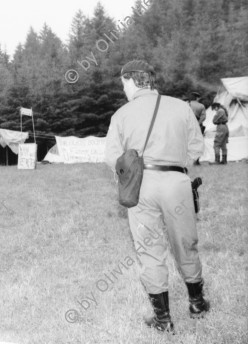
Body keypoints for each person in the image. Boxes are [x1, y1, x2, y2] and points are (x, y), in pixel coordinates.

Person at [105, 60, 209, 333]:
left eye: (123, 83)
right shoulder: (180, 107)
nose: (123, 88)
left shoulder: (121, 115)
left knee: (149, 251)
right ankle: (197, 303)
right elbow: (197, 147)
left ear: (130, 80)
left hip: (141, 188)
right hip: (177, 184)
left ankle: (163, 319)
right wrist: (176, 168)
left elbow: (112, 159)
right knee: (185, 243)